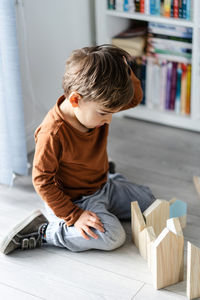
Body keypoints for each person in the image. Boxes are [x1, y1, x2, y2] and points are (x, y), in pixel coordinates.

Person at [0, 44, 155, 255]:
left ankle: (111, 178)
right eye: (104, 114)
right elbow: (42, 181)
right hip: (75, 200)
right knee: (112, 236)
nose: (109, 120)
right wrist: (74, 215)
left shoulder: (95, 105)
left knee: (149, 200)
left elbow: (134, 98)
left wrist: (124, 68)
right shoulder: (52, 133)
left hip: (102, 185)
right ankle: (43, 231)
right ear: (75, 100)